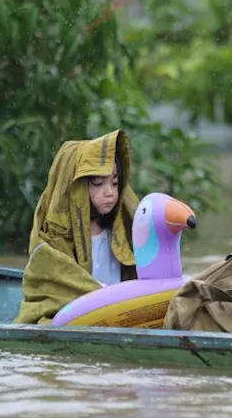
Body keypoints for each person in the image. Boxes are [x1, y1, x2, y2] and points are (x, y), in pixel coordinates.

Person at [14, 129, 139, 323]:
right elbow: (55, 289)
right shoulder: (52, 242)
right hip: (85, 316)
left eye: (114, 183)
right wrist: (105, 297)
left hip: (120, 315)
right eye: (98, 183)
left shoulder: (119, 231)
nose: (110, 193)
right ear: (76, 188)